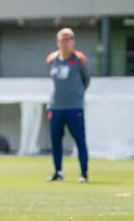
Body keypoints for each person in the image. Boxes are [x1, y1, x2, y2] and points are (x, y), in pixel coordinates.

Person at [46, 28, 90, 183]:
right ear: (58, 41)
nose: (67, 41)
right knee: (56, 140)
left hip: (74, 107)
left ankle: (83, 173)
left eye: (70, 38)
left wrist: (76, 95)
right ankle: (58, 172)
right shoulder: (52, 59)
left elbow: (87, 80)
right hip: (55, 107)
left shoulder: (79, 59)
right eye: (64, 38)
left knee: (79, 139)